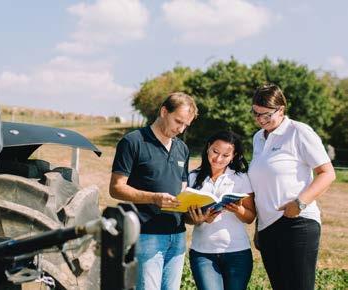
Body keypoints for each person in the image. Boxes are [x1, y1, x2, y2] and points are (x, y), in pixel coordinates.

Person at [247, 84, 336, 290]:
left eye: (266, 115)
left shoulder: (299, 131)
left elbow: (327, 173)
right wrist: (260, 226)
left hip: (298, 223)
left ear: (281, 109)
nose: (260, 119)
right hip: (268, 228)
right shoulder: (258, 138)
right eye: (256, 113)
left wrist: (300, 203)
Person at [109, 92, 198, 290]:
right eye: (178, 121)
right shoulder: (132, 142)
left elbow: (182, 189)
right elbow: (116, 188)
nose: (181, 129)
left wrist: (193, 209)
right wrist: (153, 198)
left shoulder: (182, 148)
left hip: (177, 235)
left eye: (186, 125)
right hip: (146, 234)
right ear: (164, 111)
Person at [186, 130, 256, 290]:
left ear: (234, 156)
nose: (218, 159)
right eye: (215, 151)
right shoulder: (192, 177)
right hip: (202, 253)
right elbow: (186, 217)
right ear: (208, 147)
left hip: (237, 252)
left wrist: (238, 209)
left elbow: (250, 217)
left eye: (225, 155)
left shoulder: (240, 178)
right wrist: (199, 219)